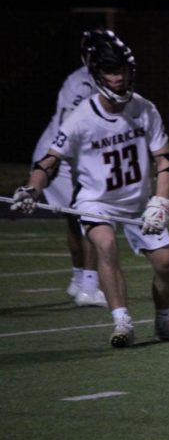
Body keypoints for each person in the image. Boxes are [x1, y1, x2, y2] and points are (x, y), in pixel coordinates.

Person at [10, 29, 169, 348]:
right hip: (96, 201)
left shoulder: (144, 109)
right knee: (107, 245)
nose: (119, 78)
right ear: (98, 74)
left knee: (167, 263)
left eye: (124, 71)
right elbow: (50, 161)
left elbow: (164, 160)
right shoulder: (80, 116)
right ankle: (122, 322)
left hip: (138, 201)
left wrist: (161, 201)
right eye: (112, 72)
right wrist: (31, 189)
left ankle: (165, 321)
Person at [30, 30, 108, 306]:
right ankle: (88, 286)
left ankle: (79, 281)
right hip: (63, 156)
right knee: (93, 218)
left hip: (67, 153)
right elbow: (71, 132)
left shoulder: (93, 80)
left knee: (77, 221)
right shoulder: (82, 86)